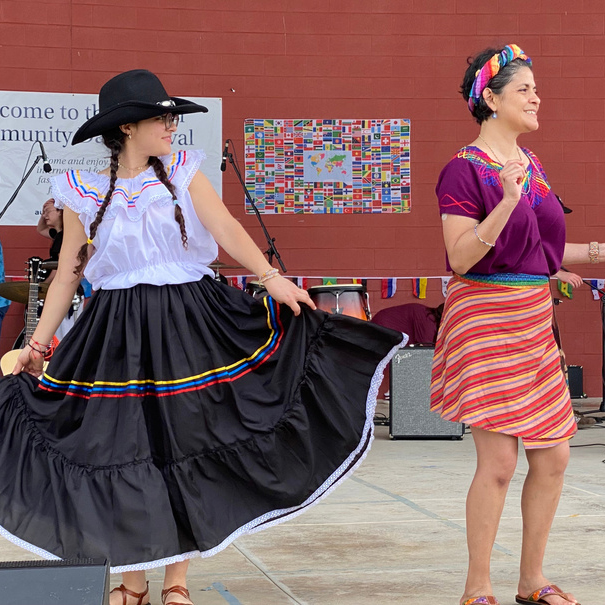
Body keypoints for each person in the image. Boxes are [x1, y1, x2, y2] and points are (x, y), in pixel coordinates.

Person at [0, 69, 403, 605]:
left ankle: (176, 582)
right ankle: (131, 580)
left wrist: (271, 277)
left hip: (190, 322)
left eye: (172, 117)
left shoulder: (185, 169)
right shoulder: (82, 189)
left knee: (183, 442)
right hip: (115, 333)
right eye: (160, 117)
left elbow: (227, 227)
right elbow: (70, 271)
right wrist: (40, 344)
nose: (171, 126)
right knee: (124, 447)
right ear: (126, 128)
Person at [430, 45, 601, 605]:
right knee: (500, 460)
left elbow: (541, 249)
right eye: (524, 89)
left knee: (553, 453)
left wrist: (592, 255)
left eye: (534, 88)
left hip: (532, 317)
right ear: (491, 99)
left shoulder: (536, 166)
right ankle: (478, 587)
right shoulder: (463, 168)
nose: (536, 97)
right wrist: (505, 199)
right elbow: (460, 257)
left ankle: (532, 580)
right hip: (484, 316)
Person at [372, 302, 444, 345]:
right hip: (384, 327)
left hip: (384, 325)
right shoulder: (429, 322)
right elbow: (426, 351)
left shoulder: (429, 316)